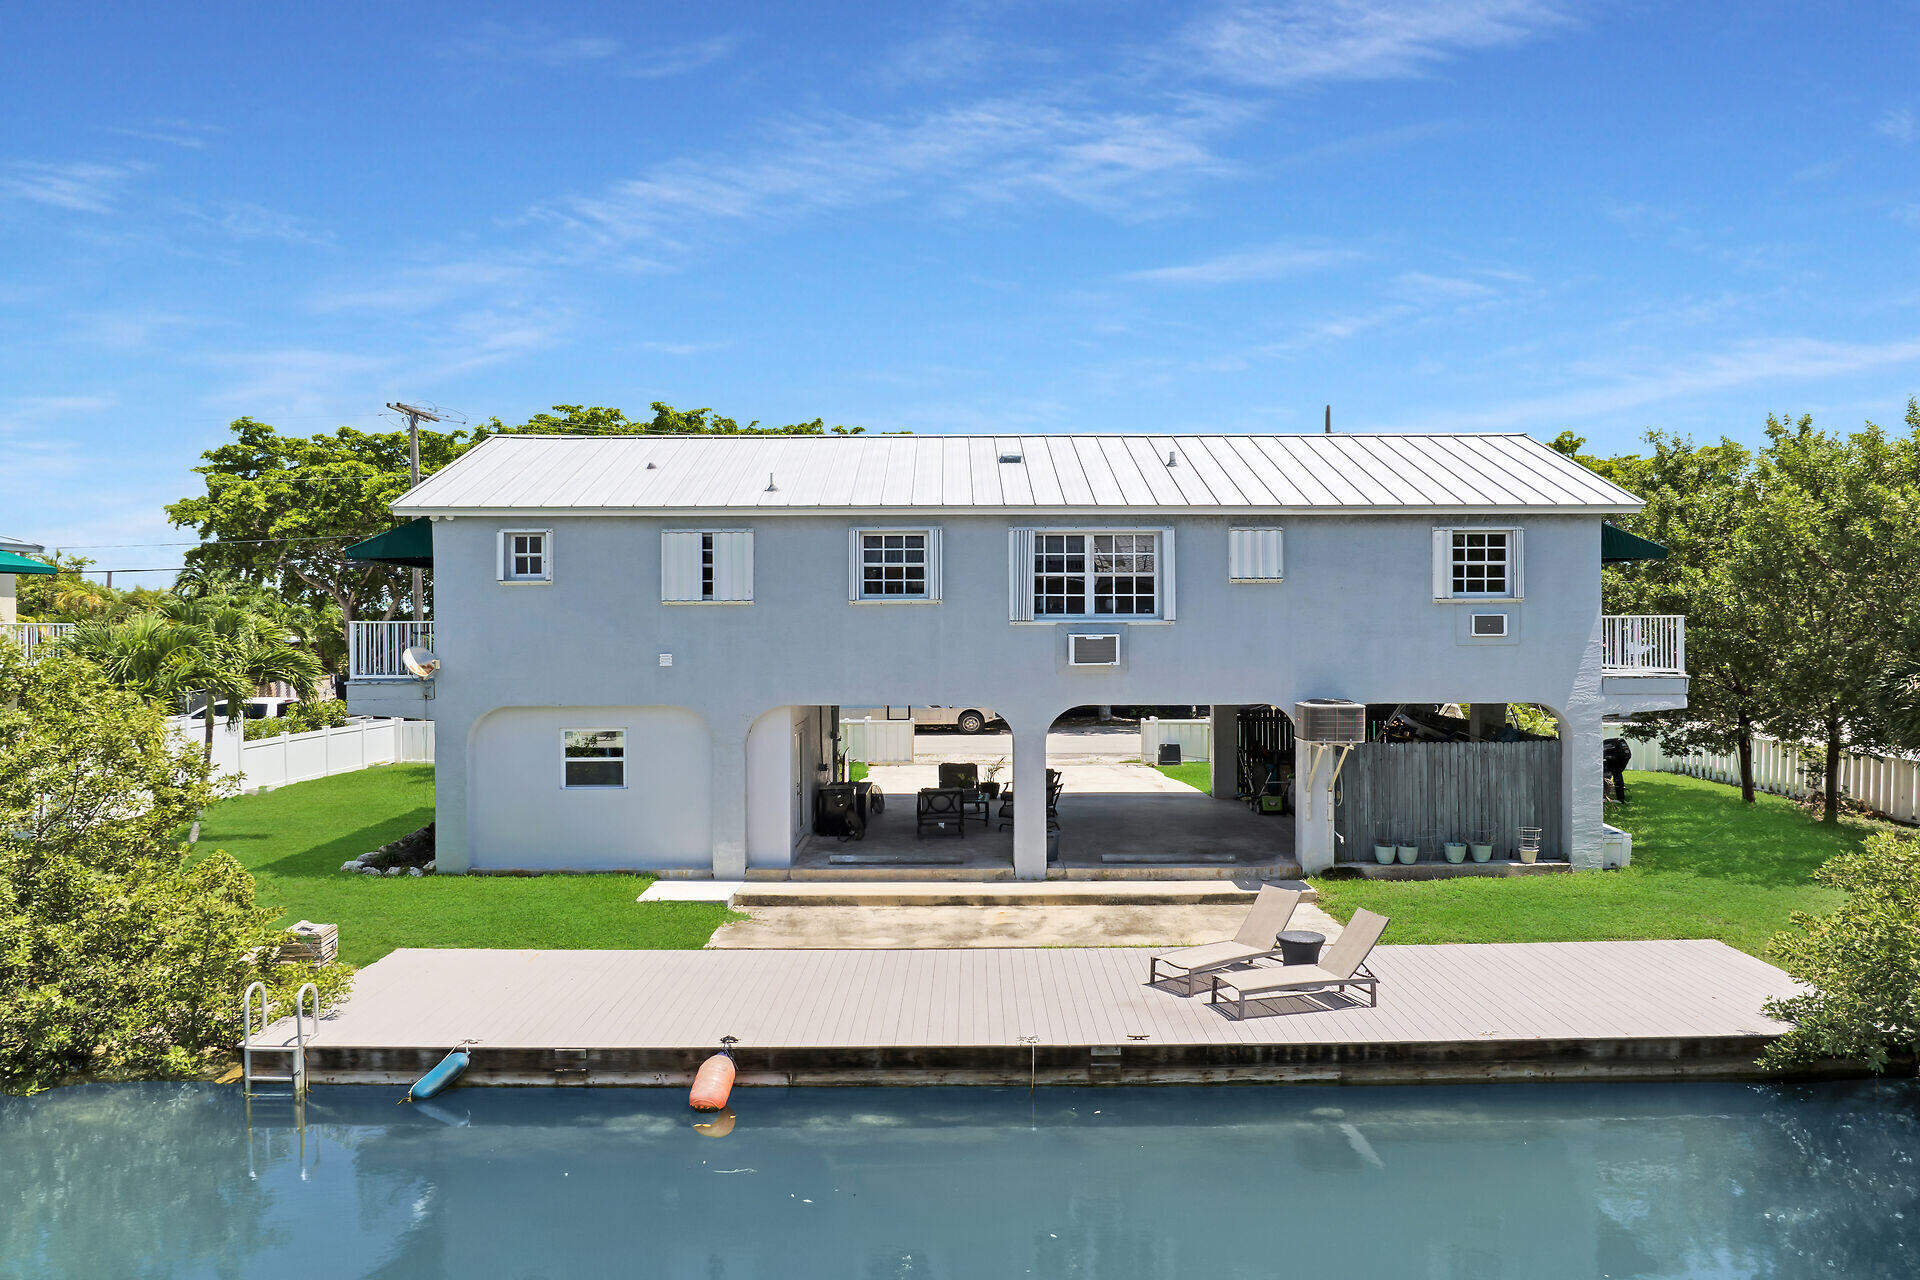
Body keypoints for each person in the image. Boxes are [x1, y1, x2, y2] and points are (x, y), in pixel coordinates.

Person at [1603, 736, 1631, 802]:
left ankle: (1608, 797)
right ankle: (1620, 798)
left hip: (1617, 758)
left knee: (1614, 775)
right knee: (1617, 775)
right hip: (1622, 757)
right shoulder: (1618, 748)